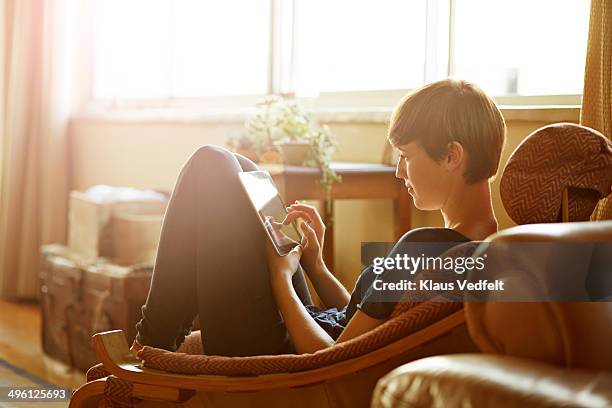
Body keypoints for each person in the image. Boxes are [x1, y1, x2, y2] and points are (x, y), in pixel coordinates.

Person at [134, 78, 506, 356]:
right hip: (307, 326)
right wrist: (315, 266)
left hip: (281, 354)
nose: (399, 172)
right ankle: (154, 340)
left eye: (406, 156)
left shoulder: (426, 248)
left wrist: (281, 276)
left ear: (451, 157)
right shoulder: (476, 248)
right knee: (243, 170)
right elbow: (358, 322)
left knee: (211, 165)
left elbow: (330, 356)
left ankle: (149, 347)